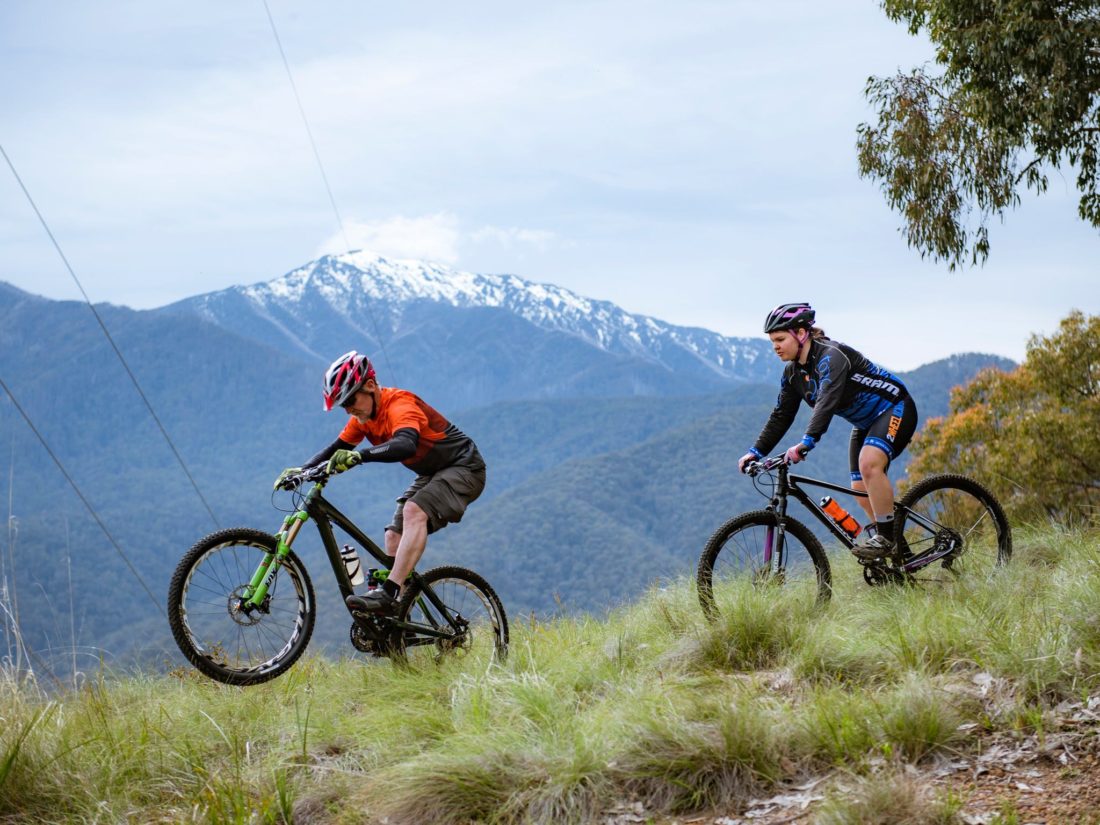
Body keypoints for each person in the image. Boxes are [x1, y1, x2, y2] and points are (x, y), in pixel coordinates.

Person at [275, 350, 487, 612]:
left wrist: (360, 456)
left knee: (414, 511)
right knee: (393, 537)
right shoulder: (363, 419)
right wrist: (302, 471)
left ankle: (389, 592)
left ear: (371, 386)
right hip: (433, 473)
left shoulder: (400, 405)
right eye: (344, 405)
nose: (349, 409)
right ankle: (400, 616)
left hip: (464, 468)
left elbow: (405, 445)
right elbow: (336, 447)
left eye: (351, 399)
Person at [737, 303, 919, 560]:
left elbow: (826, 402)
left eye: (779, 339)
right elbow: (781, 415)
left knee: (869, 466)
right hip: (864, 423)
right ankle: (903, 555)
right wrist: (755, 452)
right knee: (858, 487)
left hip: (894, 407)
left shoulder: (831, 357)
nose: (775, 346)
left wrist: (806, 443)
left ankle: (886, 539)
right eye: (772, 341)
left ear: (801, 334)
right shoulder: (793, 373)